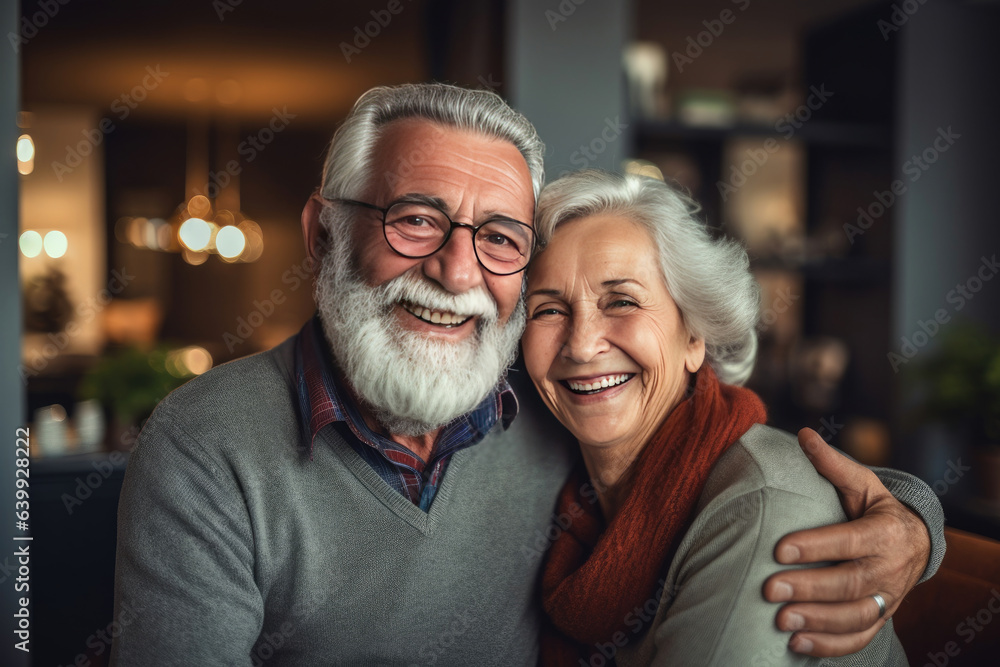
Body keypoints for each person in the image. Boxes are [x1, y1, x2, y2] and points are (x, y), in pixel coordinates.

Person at [111, 83, 942, 666]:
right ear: (325, 234)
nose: (456, 270)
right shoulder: (206, 444)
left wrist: (914, 520)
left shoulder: (544, 406)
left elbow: (747, 475)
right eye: (415, 219)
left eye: (500, 237)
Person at [523, 169, 911, 665]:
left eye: (621, 301)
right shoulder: (563, 489)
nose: (580, 346)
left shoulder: (764, 511)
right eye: (548, 310)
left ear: (694, 337)